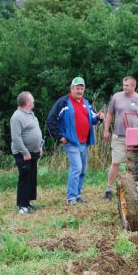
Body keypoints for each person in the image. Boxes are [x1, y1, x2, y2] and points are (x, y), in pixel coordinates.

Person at [46, 77, 104, 205]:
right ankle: (71, 197)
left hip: (84, 142)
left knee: (83, 170)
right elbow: (51, 119)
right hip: (71, 142)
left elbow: (93, 118)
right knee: (76, 168)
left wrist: (99, 117)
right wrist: (59, 137)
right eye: (77, 88)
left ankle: (77, 195)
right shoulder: (63, 102)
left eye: (82, 88)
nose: (79, 90)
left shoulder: (86, 102)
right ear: (71, 88)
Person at [102, 76, 138, 200]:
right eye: (124, 85)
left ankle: (134, 189)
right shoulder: (116, 97)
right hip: (119, 136)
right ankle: (109, 188)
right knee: (116, 162)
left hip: (135, 137)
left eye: (127, 85)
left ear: (134, 86)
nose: (124, 87)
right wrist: (106, 130)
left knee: (134, 164)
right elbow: (109, 114)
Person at [10, 91, 43, 214]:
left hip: (33, 151)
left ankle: (28, 202)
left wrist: (39, 146)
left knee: (31, 177)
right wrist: (24, 152)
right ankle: (22, 206)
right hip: (23, 153)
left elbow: (35, 131)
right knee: (24, 177)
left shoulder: (30, 114)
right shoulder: (17, 117)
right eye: (32, 99)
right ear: (27, 103)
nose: (34, 101)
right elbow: (16, 138)